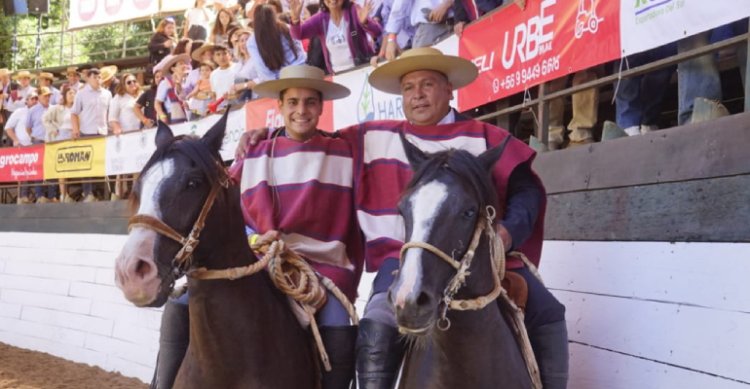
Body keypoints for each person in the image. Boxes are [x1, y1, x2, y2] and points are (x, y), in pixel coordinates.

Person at [240, 47, 569, 389]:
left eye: (427, 84)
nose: (417, 95)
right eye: (409, 87)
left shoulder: (485, 136)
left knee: (548, 312)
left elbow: (526, 192)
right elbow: (308, 138)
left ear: (449, 90)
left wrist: (507, 233)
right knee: (378, 322)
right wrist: (267, 136)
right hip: (401, 262)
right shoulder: (371, 138)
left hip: (481, 263)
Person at [289, 0, 381, 75]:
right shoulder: (320, 19)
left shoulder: (354, 10)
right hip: (337, 75)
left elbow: (377, 31)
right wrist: (295, 20)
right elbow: (298, 35)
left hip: (361, 70)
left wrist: (365, 22)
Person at [71, 67, 113, 202]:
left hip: (103, 132)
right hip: (86, 132)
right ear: (88, 78)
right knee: (87, 165)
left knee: (104, 164)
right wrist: (75, 129)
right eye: (94, 76)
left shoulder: (107, 94)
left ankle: (106, 193)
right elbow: (74, 112)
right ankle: (88, 193)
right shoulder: (81, 94)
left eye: (99, 76)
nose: (97, 79)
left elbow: (110, 113)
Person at [246, 4, 307, 82]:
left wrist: (276, 82)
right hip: (300, 72)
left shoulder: (252, 41)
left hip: (278, 81)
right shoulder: (287, 28)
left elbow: (261, 68)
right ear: (274, 16)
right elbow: (300, 54)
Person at [109, 73, 144, 200]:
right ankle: (117, 194)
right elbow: (112, 118)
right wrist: (117, 129)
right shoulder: (118, 98)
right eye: (129, 82)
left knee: (138, 165)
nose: (133, 84)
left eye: (134, 81)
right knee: (122, 166)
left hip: (141, 136)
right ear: (123, 85)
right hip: (125, 136)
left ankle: (135, 192)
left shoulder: (142, 94)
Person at [43, 85, 77, 202]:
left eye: (74, 93)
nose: (72, 95)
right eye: (70, 93)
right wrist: (53, 130)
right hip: (61, 137)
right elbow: (45, 119)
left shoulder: (78, 109)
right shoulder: (58, 108)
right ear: (65, 96)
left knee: (73, 165)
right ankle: (63, 194)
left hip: (74, 137)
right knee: (62, 166)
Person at [25, 87, 58, 203]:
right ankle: (40, 196)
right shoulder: (32, 110)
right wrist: (35, 137)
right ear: (38, 97)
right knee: (38, 168)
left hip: (51, 141)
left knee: (52, 168)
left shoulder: (54, 109)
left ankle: (52, 195)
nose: (48, 98)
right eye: (45, 96)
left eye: (49, 96)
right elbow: (28, 127)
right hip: (38, 141)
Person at [5, 90, 38, 204]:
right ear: (27, 101)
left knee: (36, 172)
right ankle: (22, 197)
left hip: (37, 146)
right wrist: (15, 140)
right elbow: (8, 128)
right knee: (23, 172)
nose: (34, 101)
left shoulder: (40, 111)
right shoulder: (19, 111)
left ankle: (34, 197)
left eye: (36, 99)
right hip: (23, 146)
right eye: (32, 99)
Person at [155, 54, 191, 124]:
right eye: (181, 64)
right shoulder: (165, 82)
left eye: (184, 63)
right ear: (173, 69)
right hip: (174, 116)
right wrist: (162, 116)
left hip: (190, 113)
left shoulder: (189, 79)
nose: (184, 66)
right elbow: (157, 103)